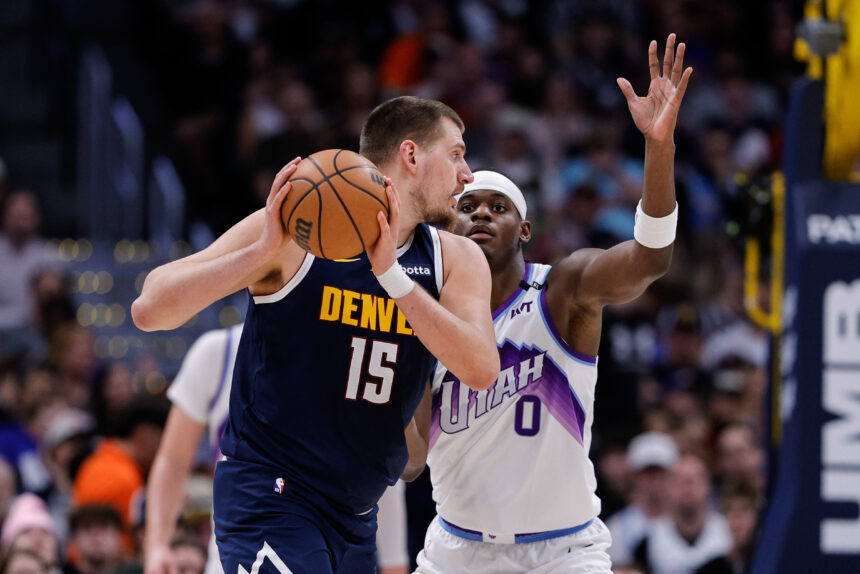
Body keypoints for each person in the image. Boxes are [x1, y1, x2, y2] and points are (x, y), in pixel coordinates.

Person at [131, 96, 500, 574]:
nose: (467, 174)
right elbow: (149, 308)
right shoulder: (304, 226)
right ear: (411, 156)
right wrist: (262, 249)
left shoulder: (455, 259)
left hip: (357, 512)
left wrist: (393, 277)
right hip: (273, 494)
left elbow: (481, 369)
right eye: (456, 154)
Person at [416, 34, 692, 573]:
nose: (480, 215)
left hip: (563, 551)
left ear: (523, 230)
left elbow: (650, 258)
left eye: (498, 207)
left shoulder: (564, 289)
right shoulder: (424, 310)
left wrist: (659, 147)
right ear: (448, 224)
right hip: (458, 547)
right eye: (467, 206)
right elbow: (406, 462)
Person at [607, 432, 679, 567]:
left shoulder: (689, 519)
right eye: (647, 473)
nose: (655, 481)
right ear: (635, 476)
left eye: (660, 472)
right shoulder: (617, 529)